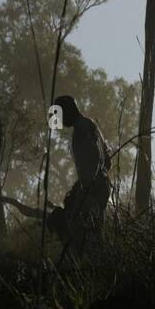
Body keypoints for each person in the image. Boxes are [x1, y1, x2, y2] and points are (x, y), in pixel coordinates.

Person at [52, 95, 111, 250]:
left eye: (60, 115)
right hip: (99, 186)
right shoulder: (90, 125)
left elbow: (93, 159)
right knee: (94, 234)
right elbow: (106, 159)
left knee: (85, 237)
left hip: (93, 190)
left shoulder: (81, 130)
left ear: (68, 111)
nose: (60, 121)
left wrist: (84, 187)